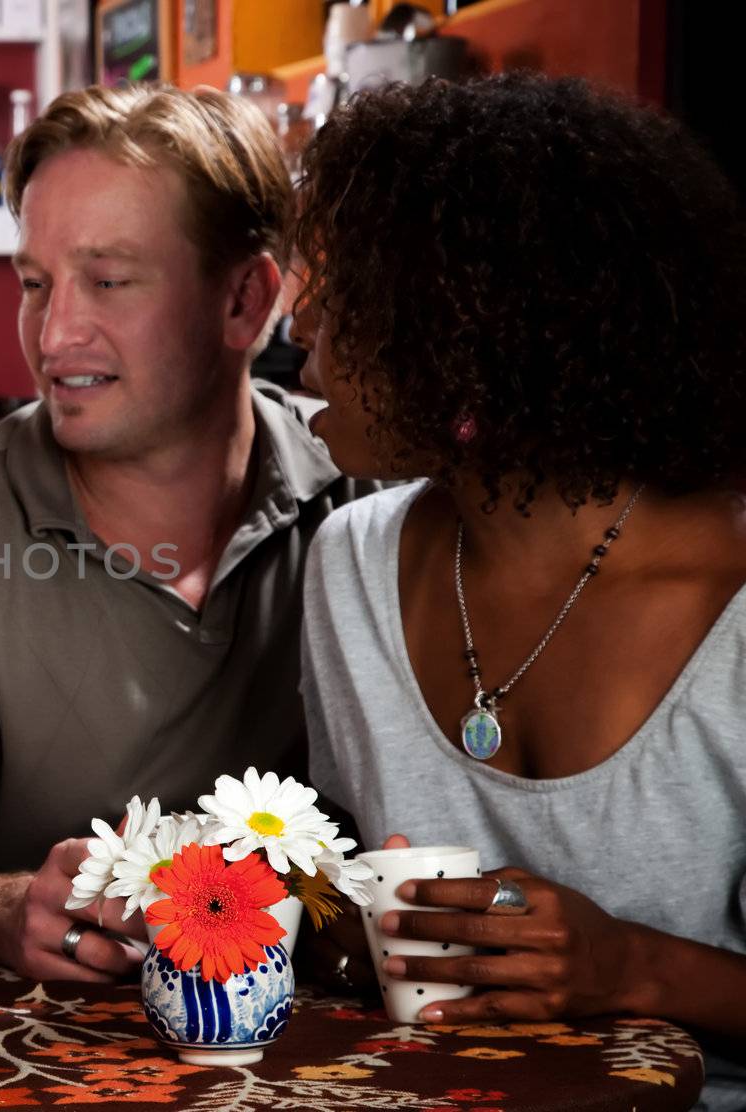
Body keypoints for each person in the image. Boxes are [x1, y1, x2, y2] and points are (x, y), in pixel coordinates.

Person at [0, 82, 375, 982]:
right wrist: (5, 911)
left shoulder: (373, 505)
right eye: (35, 283)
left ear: (246, 301)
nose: (55, 330)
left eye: (108, 281)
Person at [292, 74, 746, 1109]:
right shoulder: (348, 564)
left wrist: (627, 964)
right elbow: (340, 918)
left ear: (474, 345)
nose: (301, 320)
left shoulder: (733, 603)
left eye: (347, 288)